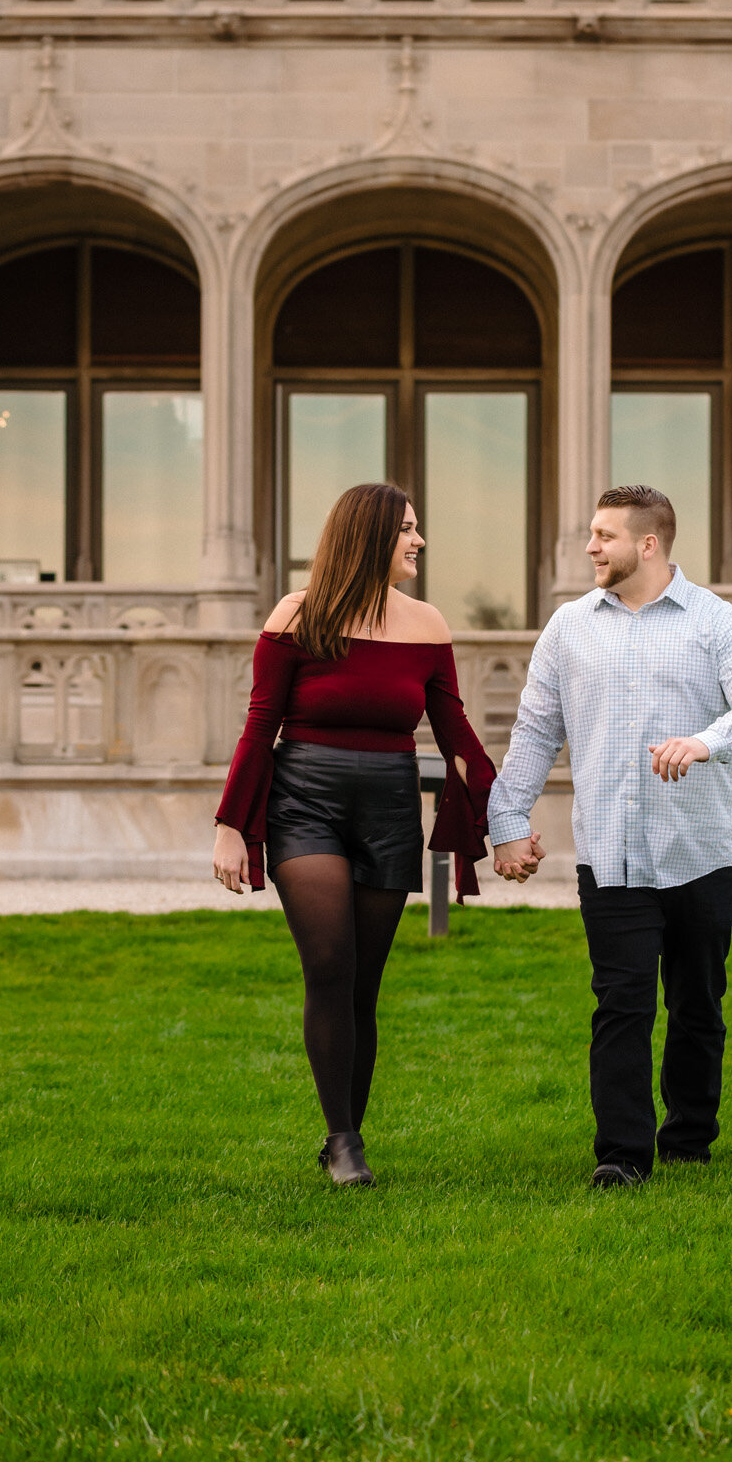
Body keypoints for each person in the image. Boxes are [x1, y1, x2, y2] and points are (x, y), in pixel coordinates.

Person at [488, 485, 732, 1188]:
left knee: (696, 1006)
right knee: (619, 1005)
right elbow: (534, 732)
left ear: (646, 544)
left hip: (699, 852)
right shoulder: (567, 628)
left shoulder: (715, 622)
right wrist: (506, 824)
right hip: (610, 854)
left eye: (603, 536)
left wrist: (707, 741)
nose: (590, 548)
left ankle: (688, 1138)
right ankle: (620, 1154)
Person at [213, 483, 495, 1187]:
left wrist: (503, 814)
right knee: (331, 963)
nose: (418, 541)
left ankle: (348, 1132)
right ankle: (343, 1143)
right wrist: (229, 826)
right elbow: (260, 726)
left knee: (363, 984)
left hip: (389, 806)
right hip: (305, 800)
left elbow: (454, 731)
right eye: (405, 528)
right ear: (368, 536)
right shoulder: (296, 616)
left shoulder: (427, 625)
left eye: (417, 528)